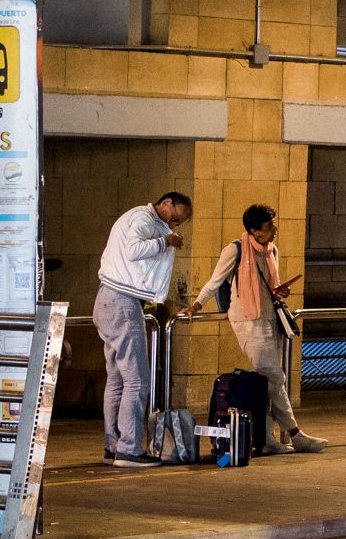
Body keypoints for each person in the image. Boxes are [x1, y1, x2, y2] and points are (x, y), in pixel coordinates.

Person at [184, 203, 327, 455]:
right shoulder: (235, 250)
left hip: (271, 318)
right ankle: (295, 433)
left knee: (266, 381)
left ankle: (266, 439)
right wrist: (196, 305)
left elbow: (272, 284)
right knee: (274, 376)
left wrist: (281, 291)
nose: (274, 230)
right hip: (248, 319)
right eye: (269, 226)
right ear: (254, 231)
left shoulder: (271, 250)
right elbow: (215, 280)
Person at [94, 190, 190, 467]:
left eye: (178, 223)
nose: (175, 224)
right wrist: (166, 241)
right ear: (166, 203)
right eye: (175, 216)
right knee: (137, 380)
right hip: (122, 303)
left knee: (117, 379)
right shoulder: (143, 218)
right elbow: (134, 250)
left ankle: (113, 446)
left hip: (108, 300)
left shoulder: (140, 218)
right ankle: (129, 449)